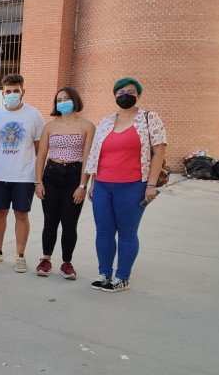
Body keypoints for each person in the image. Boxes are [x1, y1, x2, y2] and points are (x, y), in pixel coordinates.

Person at [85, 77, 167, 292]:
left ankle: (122, 277)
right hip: (103, 184)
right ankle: (104, 273)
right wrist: (92, 182)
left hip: (132, 185)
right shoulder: (106, 121)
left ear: (138, 95)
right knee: (104, 231)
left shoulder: (149, 118)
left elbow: (159, 151)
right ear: (115, 95)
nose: (125, 95)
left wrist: (151, 185)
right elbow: (96, 153)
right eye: (120, 92)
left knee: (127, 233)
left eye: (130, 91)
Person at [34, 87, 95, 279]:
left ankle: (66, 263)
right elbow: (41, 155)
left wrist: (83, 185)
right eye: (59, 100)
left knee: (70, 222)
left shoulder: (87, 126)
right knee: (50, 220)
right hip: (51, 174)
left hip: (74, 176)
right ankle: (45, 260)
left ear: (75, 100)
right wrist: (38, 182)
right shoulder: (49, 126)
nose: (63, 103)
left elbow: (88, 157)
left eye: (66, 99)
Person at [0, 74, 45, 273]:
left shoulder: (34, 115)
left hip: (24, 176)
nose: (12, 94)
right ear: (3, 93)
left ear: (23, 92)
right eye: (8, 91)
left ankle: (20, 256)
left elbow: (39, 149)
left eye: (16, 91)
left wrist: (38, 178)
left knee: (21, 214)